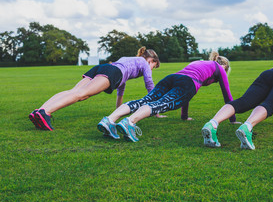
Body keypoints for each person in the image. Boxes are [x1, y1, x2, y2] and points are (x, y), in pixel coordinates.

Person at [98, 51, 236, 142]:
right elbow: (227, 95)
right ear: (225, 66)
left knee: (144, 100)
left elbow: (186, 92)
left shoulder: (199, 63)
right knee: (161, 104)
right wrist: (232, 119)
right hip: (187, 84)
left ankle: (109, 120)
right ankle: (130, 122)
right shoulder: (220, 69)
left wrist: (184, 116)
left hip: (171, 78)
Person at [29, 46, 160, 133]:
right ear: (152, 60)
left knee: (73, 91)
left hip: (104, 67)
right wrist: (156, 108)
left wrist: (117, 112)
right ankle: (46, 112)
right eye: (155, 65)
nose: (152, 68)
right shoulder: (144, 63)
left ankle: (39, 111)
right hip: (113, 72)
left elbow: (121, 89)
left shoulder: (129, 60)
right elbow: (149, 83)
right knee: (82, 94)